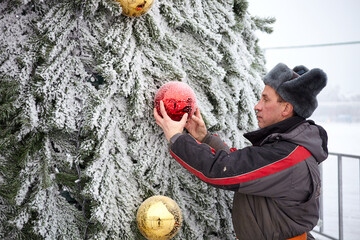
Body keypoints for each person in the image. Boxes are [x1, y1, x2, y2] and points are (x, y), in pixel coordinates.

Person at [154, 63, 328, 240]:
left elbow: (224, 171)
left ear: (286, 109)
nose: (257, 106)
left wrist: (177, 137)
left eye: (266, 99)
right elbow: (242, 167)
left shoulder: (288, 157)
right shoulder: (287, 146)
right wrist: (204, 138)